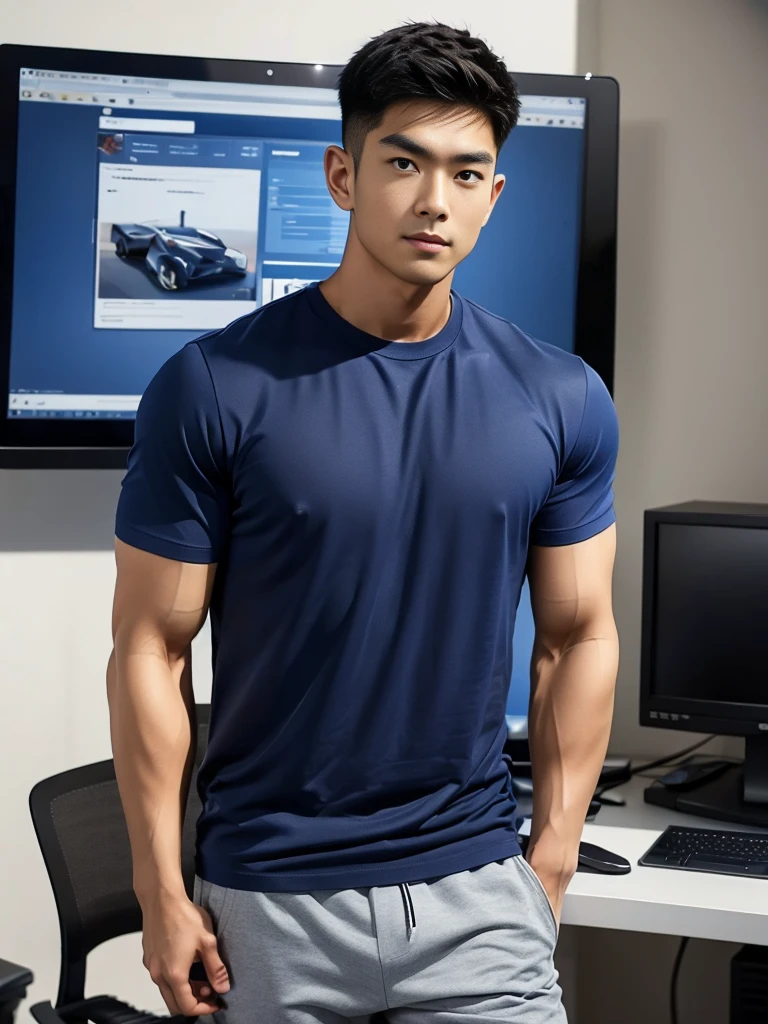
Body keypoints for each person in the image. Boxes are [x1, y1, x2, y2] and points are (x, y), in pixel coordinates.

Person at [107, 20, 620, 1024]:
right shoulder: (213, 387)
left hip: (479, 899)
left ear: (494, 196)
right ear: (344, 176)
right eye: (404, 163)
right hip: (269, 905)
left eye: (468, 174)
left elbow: (578, 633)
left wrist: (549, 862)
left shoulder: (560, 397)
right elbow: (148, 649)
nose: (435, 200)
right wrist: (161, 890)